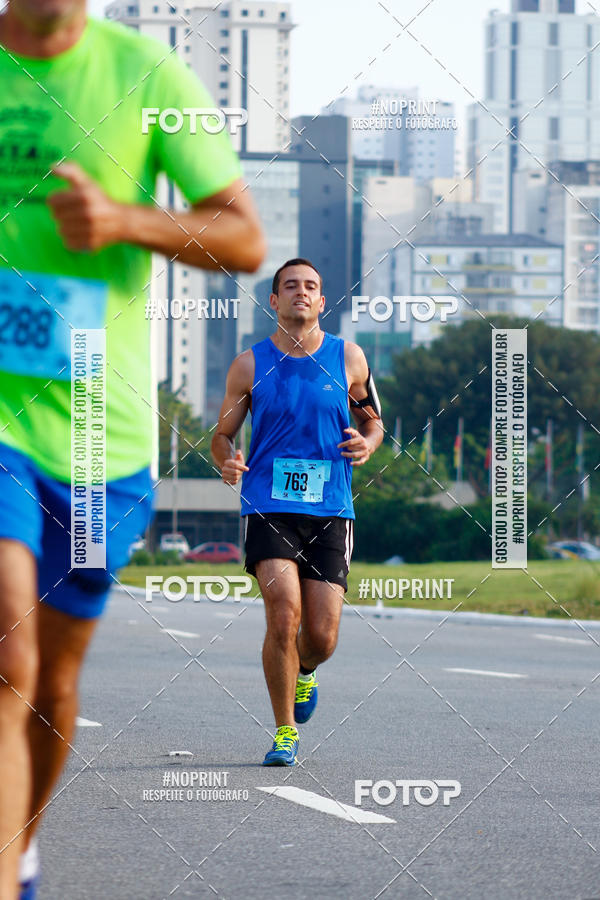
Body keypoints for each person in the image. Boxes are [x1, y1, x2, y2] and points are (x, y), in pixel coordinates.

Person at [0, 2, 265, 896]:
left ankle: (21, 847)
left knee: (52, 679)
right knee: (9, 659)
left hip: (96, 437)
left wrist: (125, 220)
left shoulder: (150, 75)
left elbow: (244, 238)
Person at [211, 258, 383, 766]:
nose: (300, 292)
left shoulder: (349, 358)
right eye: (290, 286)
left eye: (310, 286)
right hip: (268, 505)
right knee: (284, 613)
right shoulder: (248, 365)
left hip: (331, 509)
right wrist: (227, 460)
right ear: (274, 300)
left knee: (322, 638)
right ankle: (285, 730)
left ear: (322, 301)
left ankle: (305, 669)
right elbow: (221, 435)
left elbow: (373, 421)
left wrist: (368, 443)